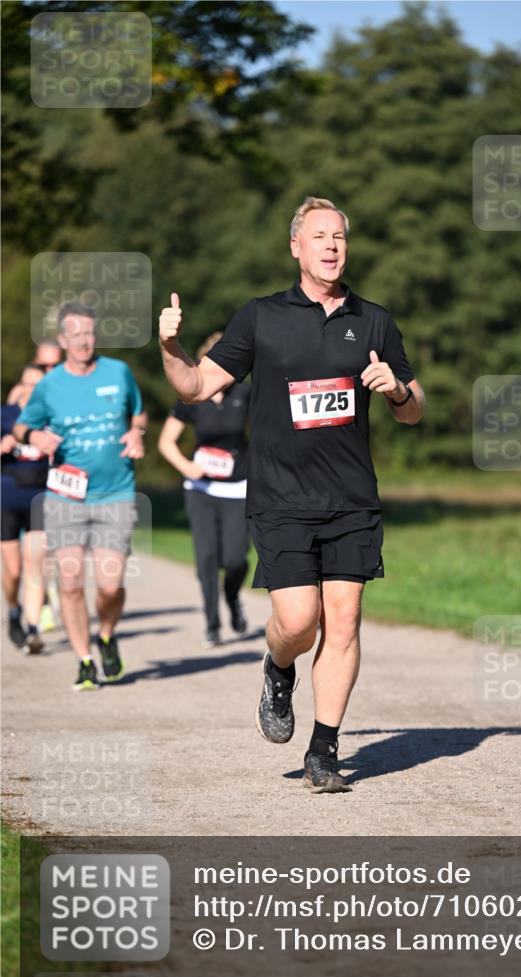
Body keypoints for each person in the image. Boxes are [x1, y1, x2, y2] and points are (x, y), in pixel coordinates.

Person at [159, 196, 424, 793]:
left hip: (352, 497)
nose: (332, 246)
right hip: (280, 495)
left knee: (346, 620)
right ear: (296, 247)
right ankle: (279, 667)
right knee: (298, 621)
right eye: (320, 236)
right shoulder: (261, 317)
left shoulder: (374, 319)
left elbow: (414, 406)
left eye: (340, 237)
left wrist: (399, 392)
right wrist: (172, 350)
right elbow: (198, 385)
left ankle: (324, 750)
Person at [13, 303, 147, 691]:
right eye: (76, 335)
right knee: (70, 583)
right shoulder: (50, 385)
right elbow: (23, 425)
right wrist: (35, 436)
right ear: (63, 339)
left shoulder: (117, 373)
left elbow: (138, 415)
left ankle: (106, 634)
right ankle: (84, 659)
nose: (85, 341)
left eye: (90, 333)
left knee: (109, 585)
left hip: (115, 493)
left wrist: (137, 433)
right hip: (66, 496)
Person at [158, 332, 251, 647]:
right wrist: (187, 467)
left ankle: (233, 597)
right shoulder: (191, 395)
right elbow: (166, 442)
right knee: (207, 557)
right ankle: (212, 623)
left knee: (236, 559)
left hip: (238, 486)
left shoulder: (245, 392)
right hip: (201, 489)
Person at [1, 364, 49, 653]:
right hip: (6, 498)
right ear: (20, 385)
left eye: (38, 385)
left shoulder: (50, 418)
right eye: (28, 383)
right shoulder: (5, 416)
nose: (32, 390)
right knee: (14, 570)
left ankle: (33, 629)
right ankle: (13, 610)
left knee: (36, 565)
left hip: (40, 498)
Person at [5, 340, 62, 405]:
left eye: (55, 366)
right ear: (35, 362)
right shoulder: (21, 391)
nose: (50, 370)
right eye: (43, 366)